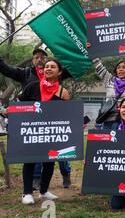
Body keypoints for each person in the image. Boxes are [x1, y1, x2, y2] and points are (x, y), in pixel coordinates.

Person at [0, 48, 72, 190]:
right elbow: (6, 70)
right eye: (36, 57)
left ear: (58, 71)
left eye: (43, 57)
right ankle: (35, 182)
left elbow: (75, 64)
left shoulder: (58, 80)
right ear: (32, 60)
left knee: (58, 155)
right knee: (35, 155)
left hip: (55, 126)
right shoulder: (25, 74)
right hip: (33, 124)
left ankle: (65, 174)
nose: (39, 60)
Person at [18, 59, 71, 205]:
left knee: (49, 161)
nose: (48, 69)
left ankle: (44, 191)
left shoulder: (63, 93)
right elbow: (20, 106)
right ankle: (27, 193)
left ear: (59, 71)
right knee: (30, 160)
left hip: (52, 133)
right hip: (32, 131)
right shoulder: (32, 87)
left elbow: (67, 115)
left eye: (52, 67)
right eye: (46, 66)